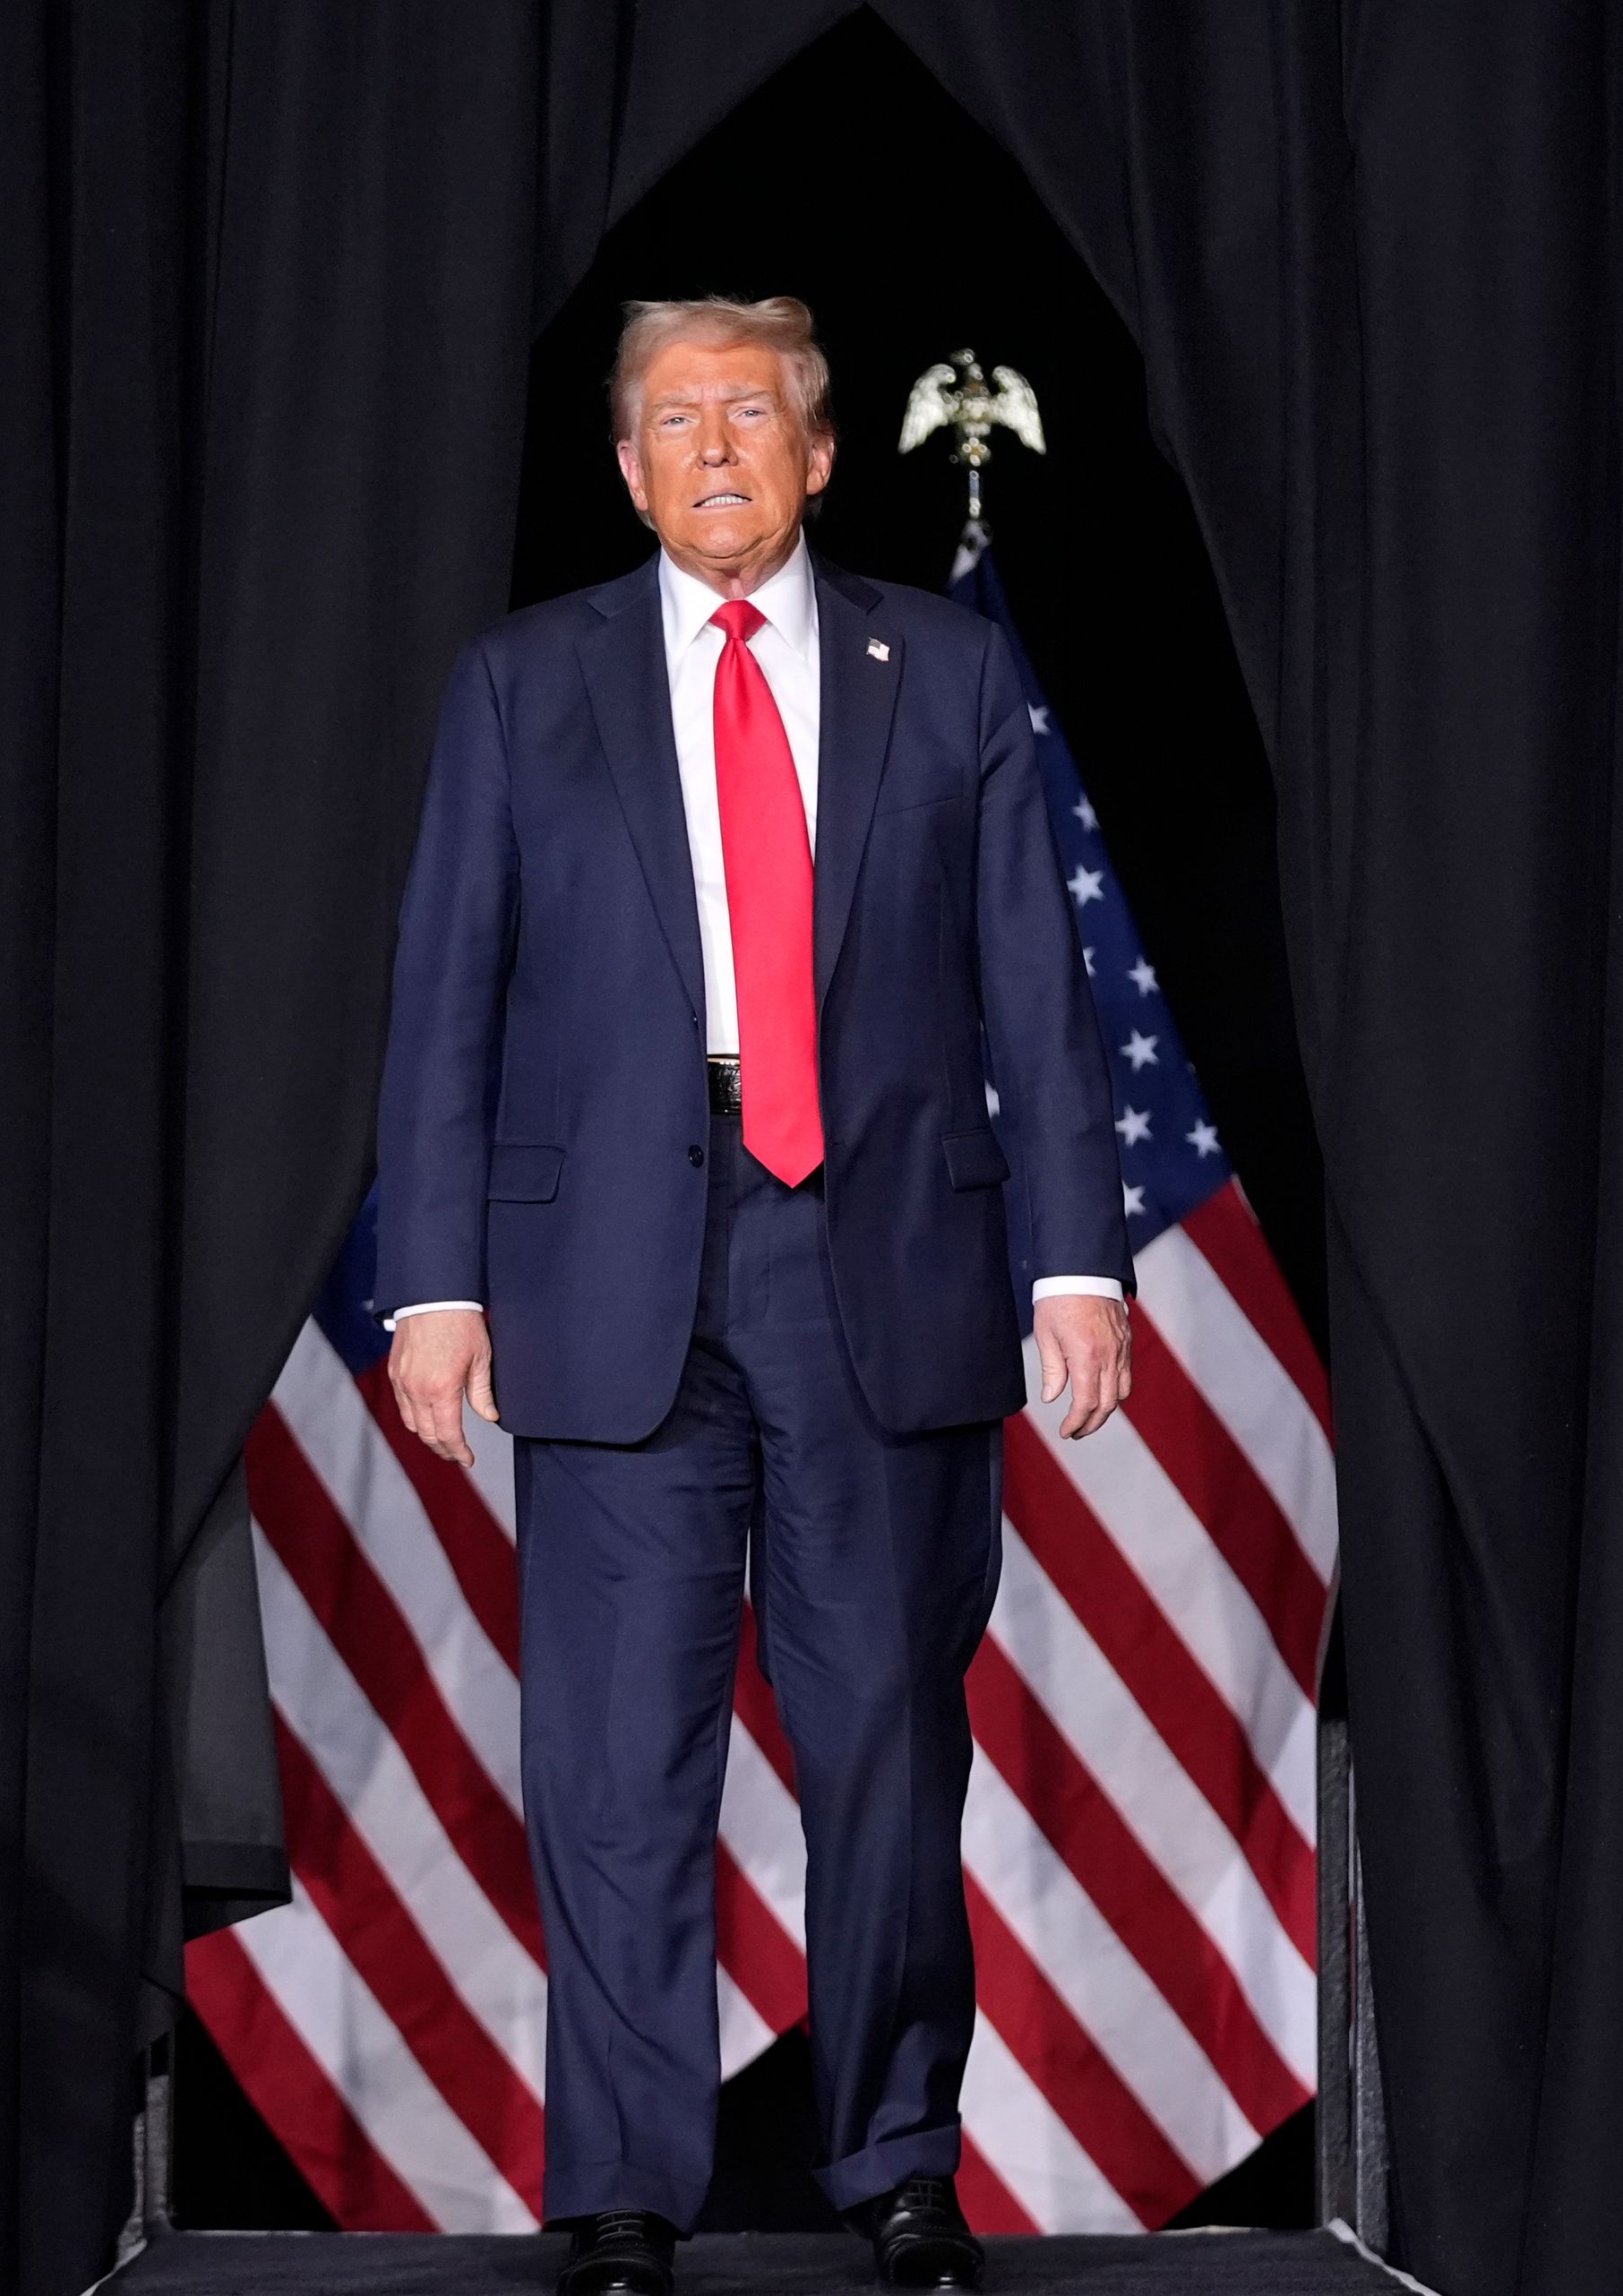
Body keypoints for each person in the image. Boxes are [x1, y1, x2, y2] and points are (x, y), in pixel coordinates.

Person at [373, 296, 1132, 2295]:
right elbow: (446, 1006)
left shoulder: (945, 672)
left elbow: (1033, 999)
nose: (714, 447)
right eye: (674, 419)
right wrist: (428, 1283)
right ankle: (625, 2186)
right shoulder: (525, 684)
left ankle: (894, 2162)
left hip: (876, 1260)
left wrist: (1075, 1255)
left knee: (887, 1736)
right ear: (626, 469)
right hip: (604, 1268)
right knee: (617, 1767)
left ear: (818, 453)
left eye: (752, 413)